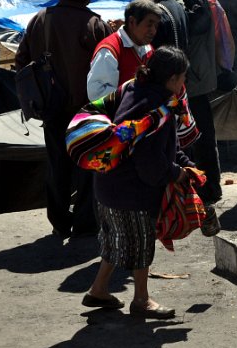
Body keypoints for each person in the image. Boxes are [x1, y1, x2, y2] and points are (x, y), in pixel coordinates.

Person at [82, 46, 196, 319]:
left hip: (107, 185)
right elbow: (151, 163)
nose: (184, 84)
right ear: (172, 79)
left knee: (115, 240)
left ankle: (98, 289)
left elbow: (163, 147)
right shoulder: (156, 107)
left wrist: (185, 164)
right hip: (131, 192)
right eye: (183, 78)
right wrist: (177, 174)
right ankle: (141, 300)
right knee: (141, 243)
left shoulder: (134, 88)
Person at [16, 0, 108, 239]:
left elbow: (21, 62)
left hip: (51, 108)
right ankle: (85, 223)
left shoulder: (40, 20)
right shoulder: (96, 24)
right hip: (87, 110)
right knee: (87, 166)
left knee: (57, 167)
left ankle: (59, 222)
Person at [156, 0, 223, 205]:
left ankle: (209, 188)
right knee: (193, 137)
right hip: (192, 78)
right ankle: (204, 186)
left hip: (194, 79)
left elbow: (199, 23)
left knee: (200, 136)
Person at [86, 0, 161, 101]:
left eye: (156, 26)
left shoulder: (148, 49)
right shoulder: (109, 51)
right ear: (132, 22)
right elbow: (97, 94)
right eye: (149, 25)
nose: (153, 31)